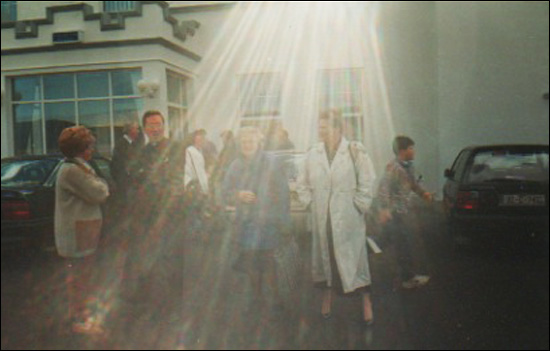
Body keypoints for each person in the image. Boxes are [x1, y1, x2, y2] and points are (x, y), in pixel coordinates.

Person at [296, 110, 376, 325]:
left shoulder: (354, 151)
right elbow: (301, 183)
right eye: (320, 127)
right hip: (324, 219)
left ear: (338, 129)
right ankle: (327, 297)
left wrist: (358, 206)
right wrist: (311, 204)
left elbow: (367, 181)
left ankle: (366, 302)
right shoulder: (313, 153)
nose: (322, 131)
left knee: (357, 260)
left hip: (348, 219)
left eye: (326, 127)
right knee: (326, 258)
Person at [123, 110, 185, 313]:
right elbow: (133, 178)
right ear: (145, 128)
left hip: (169, 214)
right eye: (151, 125)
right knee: (147, 258)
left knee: (170, 259)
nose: (156, 128)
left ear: (164, 125)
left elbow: (176, 181)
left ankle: (172, 306)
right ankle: (150, 301)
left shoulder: (175, 148)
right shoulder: (141, 150)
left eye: (158, 124)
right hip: (145, 215)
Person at [223, 127, 291, 310]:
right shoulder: (235, 165)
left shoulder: (272, 162)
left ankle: (276, 298)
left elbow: (284, 193)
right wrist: (238, 195)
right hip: (246, 223)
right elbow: (225, 193)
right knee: (251, 261)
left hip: (268, 222)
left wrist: (284, 223)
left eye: (251, 141)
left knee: (269, 260)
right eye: (244, 141)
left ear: (259, 142)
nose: (247, 145)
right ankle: (257, 298)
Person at [55, 126, 110, 335]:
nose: (92, 149)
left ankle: (78, 315)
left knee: (79, 276)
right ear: (81, 148)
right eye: (90, 146)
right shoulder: (72, 170)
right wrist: (102, 183)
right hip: (78, 232)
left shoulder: (76, 167)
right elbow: (99, 192)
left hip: (81, 230)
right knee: (80, 278)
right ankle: (80, 319)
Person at [376, 135, 433, 289]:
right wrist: (384, 209)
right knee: (403, 245)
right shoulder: (393, 168)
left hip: (402, 211)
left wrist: (423, 193)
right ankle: (407, 278)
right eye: (411, 148)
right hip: (395, 213)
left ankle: (359, 256)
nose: (413, 151)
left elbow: (413, 183)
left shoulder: (409, 166)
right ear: (402, 151)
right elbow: (383, 189)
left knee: (382, 241)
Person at [110, 122, 141, 208]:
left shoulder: (134, 144)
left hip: (131, 182)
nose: (138, 131)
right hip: (125, 183)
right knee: (127, 206)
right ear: (130, 130)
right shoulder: (121, 145)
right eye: (136, 129)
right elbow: (118, 164)